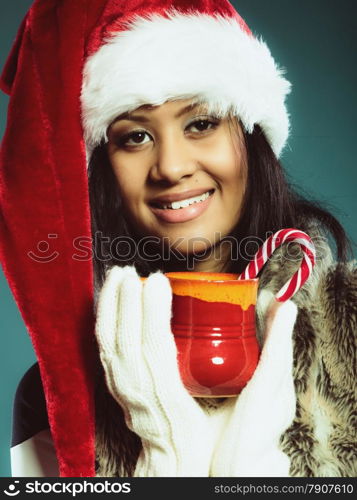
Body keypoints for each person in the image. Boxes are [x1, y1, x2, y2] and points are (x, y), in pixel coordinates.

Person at [1, 0, 355, 478]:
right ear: (104, 169)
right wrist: (169, 455)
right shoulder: (57, 397)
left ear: (251, 136)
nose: (170, 166)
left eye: (201, 124)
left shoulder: (348, 332)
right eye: (135, 138)